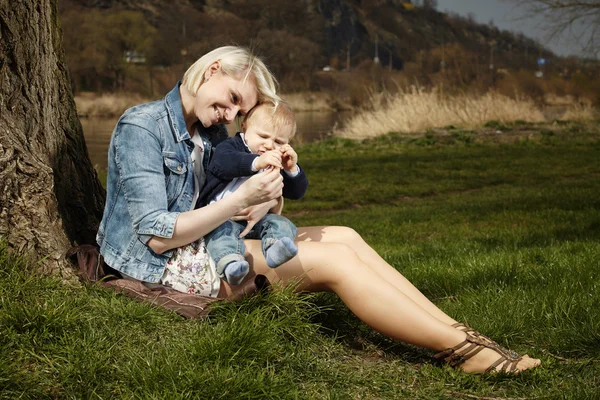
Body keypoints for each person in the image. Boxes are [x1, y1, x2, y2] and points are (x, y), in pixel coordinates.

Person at [97, 46, 540, 373]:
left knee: (344, 235)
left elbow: (228, 194)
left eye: (240, 109)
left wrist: (268, 198)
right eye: (231, 98)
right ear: (211, 70)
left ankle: (459, 333)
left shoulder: (210, 134)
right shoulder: (143, 125)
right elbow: (156, 235)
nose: (231, 114)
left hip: (204, 240)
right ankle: (463, 353)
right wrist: (238, 201)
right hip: (161, 263)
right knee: (335, 261)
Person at [198, 102, 308, 285]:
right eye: (263, 136)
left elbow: (296, 193)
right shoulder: (232, 147)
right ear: (244, 128)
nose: (269, 144)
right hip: (222, 217)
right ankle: (231, 263)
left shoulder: (276, 159)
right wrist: (257, 162)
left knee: (281, 222)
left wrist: (291, 169)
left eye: (279, 141)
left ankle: (275, 248)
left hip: (256, 220)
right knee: (220, 235)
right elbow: (223, 163)